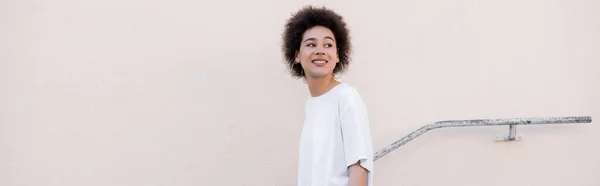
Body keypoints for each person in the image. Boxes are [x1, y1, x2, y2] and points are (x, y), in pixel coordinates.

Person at [281, 5, 374, 186]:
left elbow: (359, 167)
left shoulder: (346, 97)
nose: (320, 50)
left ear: (338, 55)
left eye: (328, 44)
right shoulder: (312, 104)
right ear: (297, 55)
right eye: (311, 44)